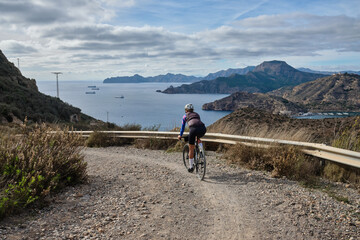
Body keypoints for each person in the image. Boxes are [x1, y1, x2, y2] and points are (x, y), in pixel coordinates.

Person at [177, 103, 207, 172]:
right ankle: (201, 148)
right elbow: (198, 123)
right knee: (198, 137)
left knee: (191, 148)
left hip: (193, 130)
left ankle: (191, 167)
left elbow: (182, 127)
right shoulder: (197, 114)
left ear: (186, 110)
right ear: (192, 110)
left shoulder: (185, 116)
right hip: (203, 129)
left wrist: (180, 135)